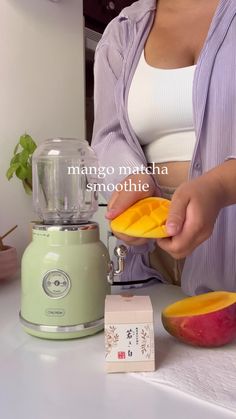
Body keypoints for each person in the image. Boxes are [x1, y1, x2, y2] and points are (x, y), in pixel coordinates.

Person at [91, 0, 236, 295]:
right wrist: (129, 179)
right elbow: (108, 135)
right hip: (149, 252)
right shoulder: (123, 31)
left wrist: (220, 187)